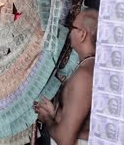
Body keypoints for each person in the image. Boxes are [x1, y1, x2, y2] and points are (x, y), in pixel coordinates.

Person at [34, 9, 98, 145]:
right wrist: (55, 114)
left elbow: (65, 139)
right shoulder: (91, 66)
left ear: (82, 34)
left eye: (73, 27)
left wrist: (47, 119)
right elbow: (80, 118)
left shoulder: (84, 76)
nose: (70, 32)